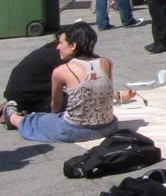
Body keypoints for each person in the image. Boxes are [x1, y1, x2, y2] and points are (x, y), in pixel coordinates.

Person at [3, 23, 136, 142]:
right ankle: (16, 110)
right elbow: (101, 90)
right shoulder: (106, 62)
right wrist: (117, 96)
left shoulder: (62, 69)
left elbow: (55, 106)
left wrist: (53, 120)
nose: (57, 47)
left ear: (73, 45)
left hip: (72, 130)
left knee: (39, 120)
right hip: (109, 127)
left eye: (61, 43)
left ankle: (12, 117)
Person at [3, 40, 63, 117]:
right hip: (27, 98)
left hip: (17, 94)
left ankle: (14, 110)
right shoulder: (59, 56)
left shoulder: (49, 50)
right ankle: (14, 116)